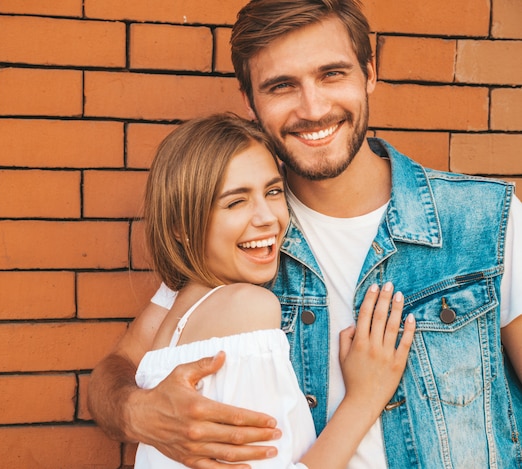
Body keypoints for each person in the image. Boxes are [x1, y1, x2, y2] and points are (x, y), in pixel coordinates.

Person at [88, 1, 522, 467]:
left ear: (369, 73)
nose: (313, 109)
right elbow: (115, 375)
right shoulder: (238, 240)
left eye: (332, 74)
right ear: (249, 100)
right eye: (281, 86)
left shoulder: (485, 219)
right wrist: (140, 413)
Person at [130, 113, 414, 468]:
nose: (267, 217)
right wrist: (365, 398)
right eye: (236, 202)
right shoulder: (247, 308)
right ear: (180, 227)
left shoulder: (169, 327)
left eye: (273, 191)